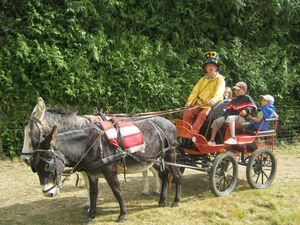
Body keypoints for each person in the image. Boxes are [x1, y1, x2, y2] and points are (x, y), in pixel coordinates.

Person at [183, 51, 225, 134]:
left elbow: (219, 92)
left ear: (216, 68)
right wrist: (190, 102)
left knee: (202, 115)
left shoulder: (220, 79)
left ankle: (193, 133)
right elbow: (195, 91)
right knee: (188, 111)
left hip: (210, 105)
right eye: (208, 65)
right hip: (199, 103)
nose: (210, 67)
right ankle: (185, 131)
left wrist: (213, 100)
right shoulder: (202, 79)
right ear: (205, 68)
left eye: (213, 65)